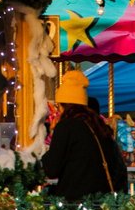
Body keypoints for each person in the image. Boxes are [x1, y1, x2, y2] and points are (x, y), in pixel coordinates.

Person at [42, 70, 128, 199]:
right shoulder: (97, 125)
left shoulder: (66, 127)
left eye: (59, 106)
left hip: (75, 200)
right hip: (103, 200)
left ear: (64, 105)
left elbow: (52, 168)